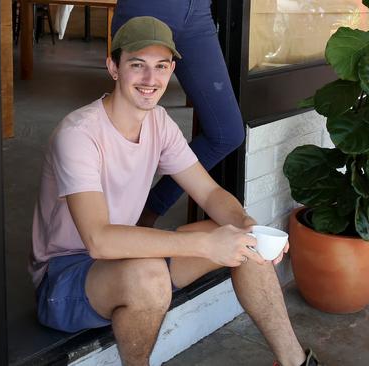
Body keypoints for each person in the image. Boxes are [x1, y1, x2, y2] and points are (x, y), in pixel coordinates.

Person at [30, 16, 320, 366]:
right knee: (150, 276)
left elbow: (210, 194)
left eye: (161, 66)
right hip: (66, 277)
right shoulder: (79, 134)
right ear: (114, 67)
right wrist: (205, 243)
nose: (151, 80)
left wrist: (248, 225)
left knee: (244, 240)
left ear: (171, 70)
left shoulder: (158, 122)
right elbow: (99, 240)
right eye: (138, 65)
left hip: (124, 257)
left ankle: (294, 362)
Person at [111, 0, 245, 227]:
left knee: (228, 133)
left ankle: (149, 209)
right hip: (147, 7)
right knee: (124, 131)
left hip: (198, 13)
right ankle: (108, 230)